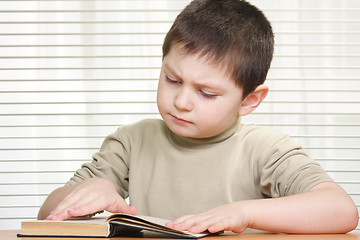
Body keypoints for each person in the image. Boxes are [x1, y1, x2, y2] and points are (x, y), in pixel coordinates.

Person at [37, 0, 358, 234]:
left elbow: (341, 211)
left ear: (249, 100)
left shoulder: (266, 150)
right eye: (172, 80)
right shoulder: (131, 142)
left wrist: (244, 213)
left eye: (206, 93)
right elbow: (46, 214)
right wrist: (92, 191)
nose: (182, 101)